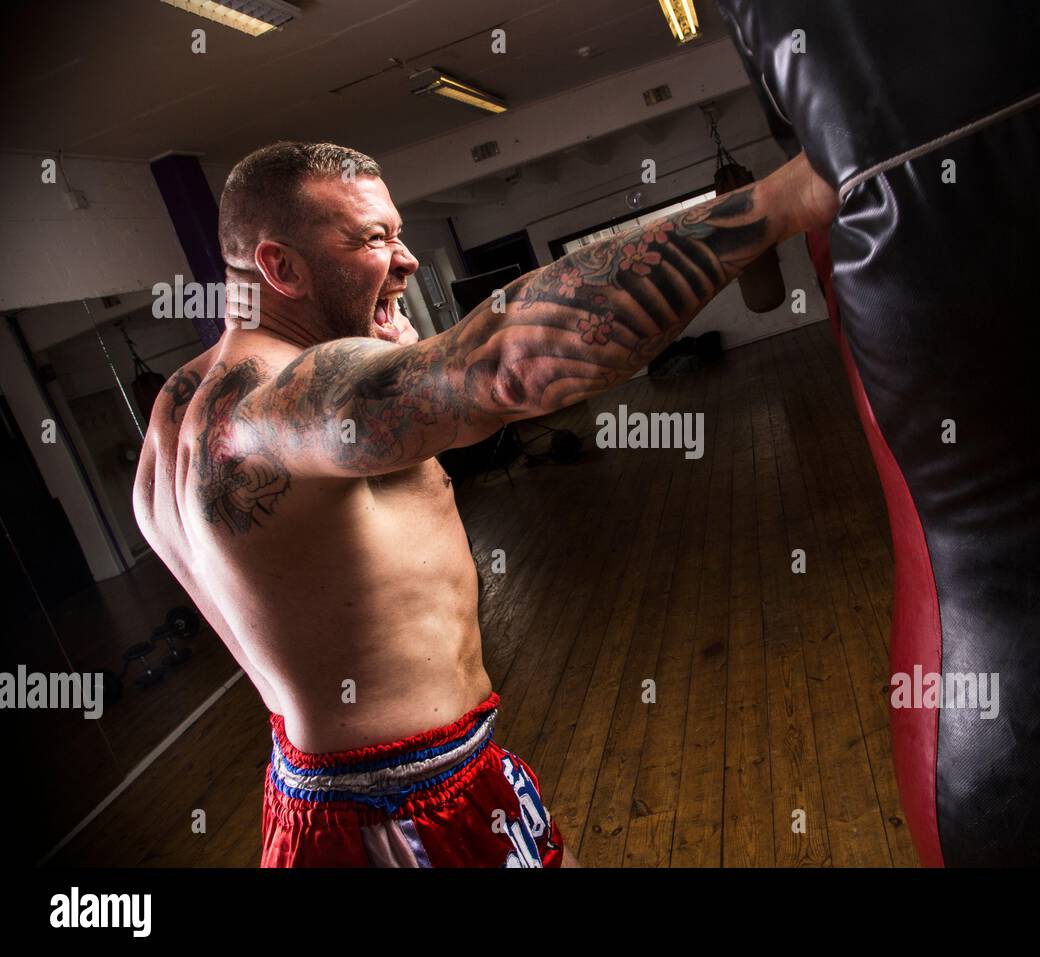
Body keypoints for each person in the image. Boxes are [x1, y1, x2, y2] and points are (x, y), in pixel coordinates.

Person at [133, 140, 839, 867]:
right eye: (372, 239)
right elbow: (504, 366)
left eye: (398, 232)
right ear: (282, 267)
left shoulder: (176, 410)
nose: (404, 259)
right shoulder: (277, 406)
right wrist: (790, 198)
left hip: (358, 784)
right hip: (396, 814)